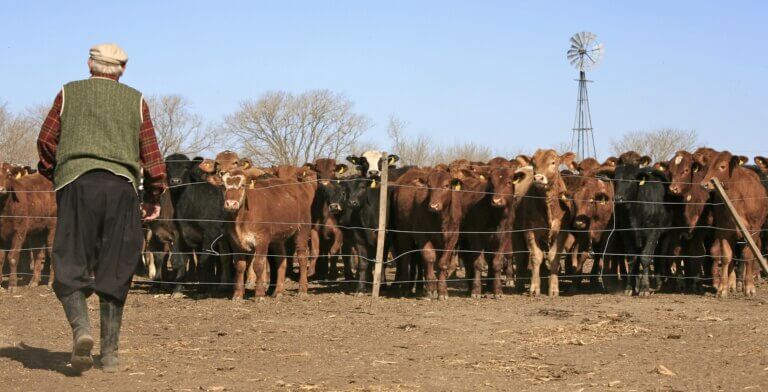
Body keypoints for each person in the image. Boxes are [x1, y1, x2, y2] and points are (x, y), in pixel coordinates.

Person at [36, 43, 166, 373]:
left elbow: (46, 141)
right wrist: (153, 196)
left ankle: (82, 331)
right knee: (116, 267)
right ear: (121, 70)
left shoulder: (68, 93)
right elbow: (152, 157)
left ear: (89, 64)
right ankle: (109, 354)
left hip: (77, 186)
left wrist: (58, 174)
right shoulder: (136, 101)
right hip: (121, 189)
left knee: (69, 261)